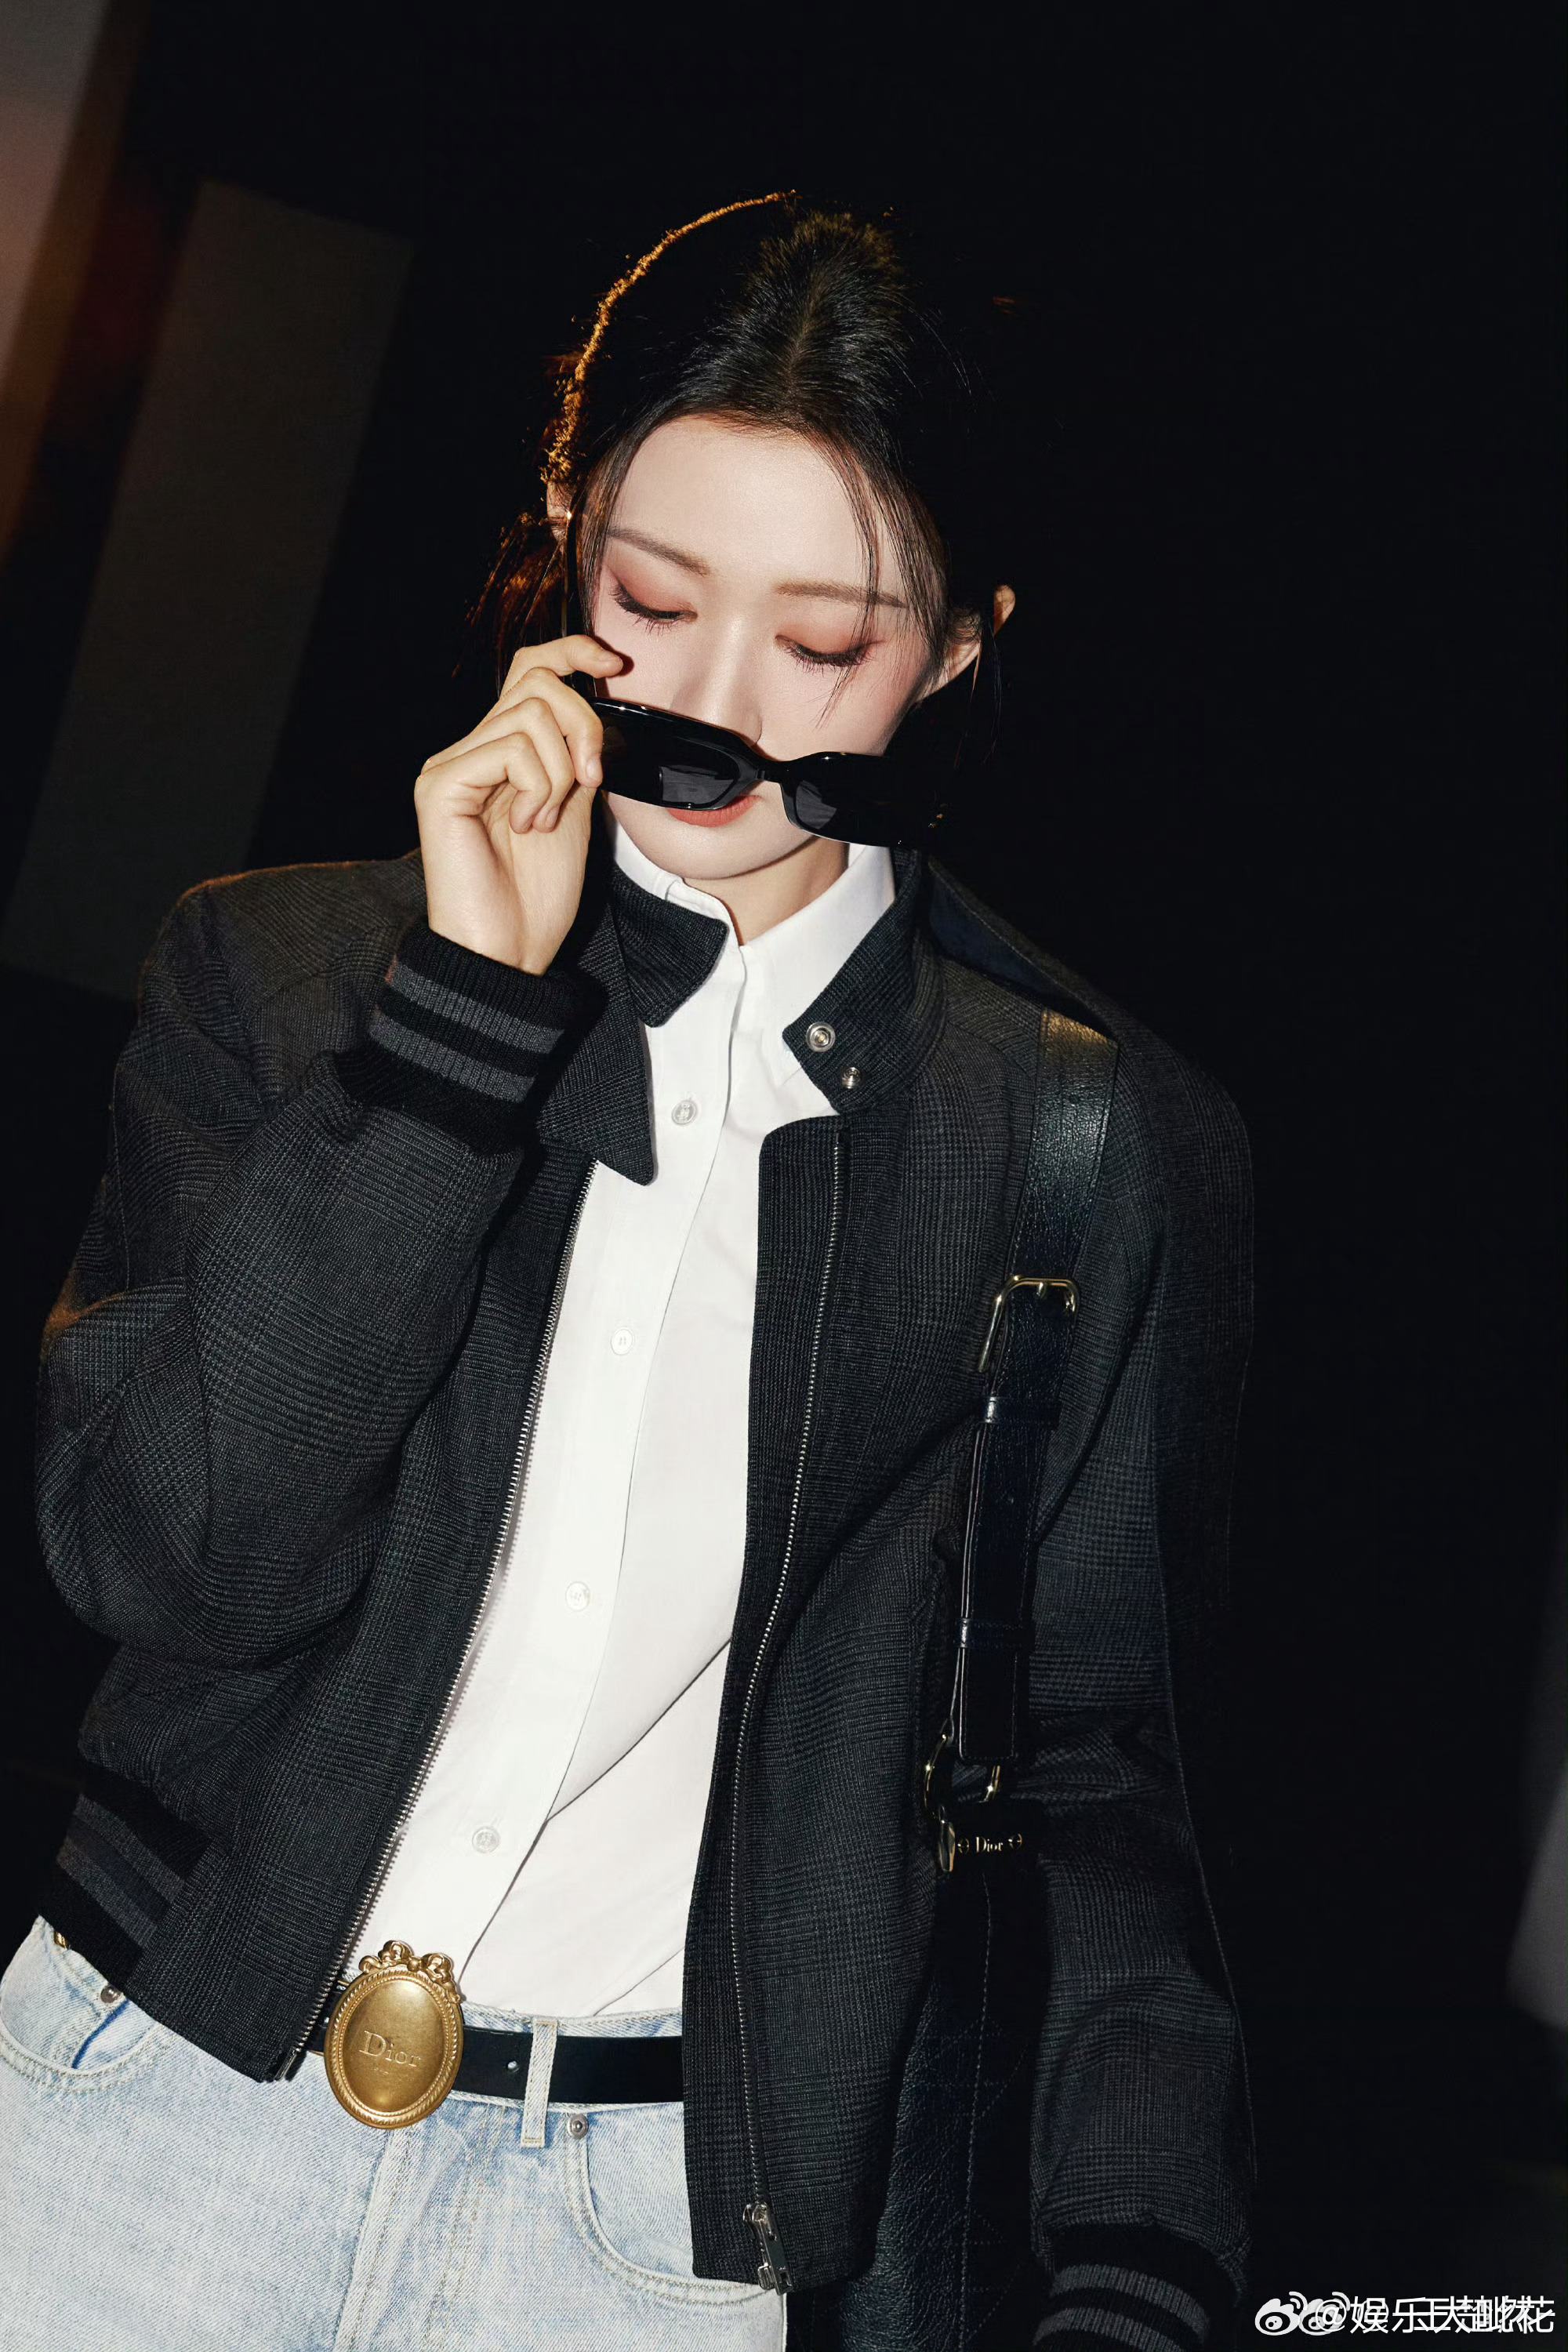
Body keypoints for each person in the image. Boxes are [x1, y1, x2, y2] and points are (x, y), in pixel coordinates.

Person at [0, 194, 1254, 2351]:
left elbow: (1095, 1782)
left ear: (963, 642)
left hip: (644, 2246)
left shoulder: (1083, 1141)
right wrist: (459, 1028)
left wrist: (1140, 2277)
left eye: (826, 641)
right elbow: (175, 1559)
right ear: (568, 540)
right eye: (652, 602)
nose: (717, 708)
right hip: (141, 2128)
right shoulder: (286, 973)